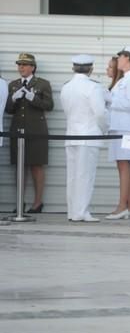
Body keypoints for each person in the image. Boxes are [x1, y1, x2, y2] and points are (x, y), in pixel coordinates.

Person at [60, 54, 108, 222]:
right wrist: (105, 129)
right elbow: (100, 113)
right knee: (85, 175)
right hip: (89, 135)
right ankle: (82, 212)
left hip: (71, 134)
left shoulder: (66, 86)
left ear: (73, 68)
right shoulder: (93, 87)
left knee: (72, 176)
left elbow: (66, 111)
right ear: (91, 69)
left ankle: (73, 212)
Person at [6, 53, 54, 213]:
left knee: (36, 166)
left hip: (36, 131)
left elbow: (49, 106)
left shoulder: (43, 84)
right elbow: (8, 110)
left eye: (25, 65)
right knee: (20, 168)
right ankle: (20, 203)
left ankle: (37, 203)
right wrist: (13, 99)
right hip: (18, 130)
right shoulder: (13, 85)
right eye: (19, 65)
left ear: (33, 67)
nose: (21, 68)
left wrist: (33, 98)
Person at [105, 47, 130, 220]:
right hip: (119, 127)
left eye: (120, 56)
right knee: (125, 167)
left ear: (128, 58)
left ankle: (122, 207)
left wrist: (110, 99)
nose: (118, 59)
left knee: (124, 167)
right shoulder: (124, 80)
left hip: (126, 128)